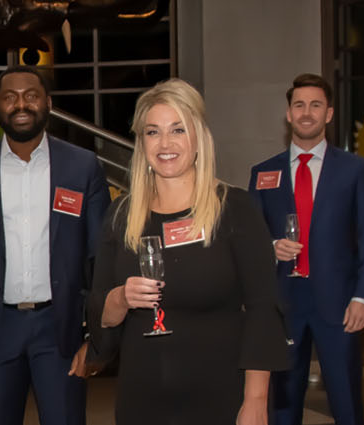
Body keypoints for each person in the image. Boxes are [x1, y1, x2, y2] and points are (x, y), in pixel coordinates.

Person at [87, 79, 286, 424]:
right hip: (142, 398)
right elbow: (100, 312)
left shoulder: (234, 209)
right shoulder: (122, 215)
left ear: (198, 138)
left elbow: (262, 309)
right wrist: (121, 297)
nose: (165, 143)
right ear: (142, 142)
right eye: (153, 132)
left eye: (177, 129)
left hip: (220, 395)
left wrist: (255, 400)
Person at [0, 66, 109, 425]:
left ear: (47, 102)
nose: (20, 104)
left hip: (61, 330)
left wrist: (97, 336)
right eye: (10, 97)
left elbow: (101, 256)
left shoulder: (82, 166)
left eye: (30, 95)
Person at [245, 74, 364, 425]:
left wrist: (363, 297)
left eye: (315, 105)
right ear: (288, 114)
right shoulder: (263, 173)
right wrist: (272, 247)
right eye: (299, 105)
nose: (307, 113)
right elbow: (249, 239)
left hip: (340, 305)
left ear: (329, 113)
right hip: (283, 305)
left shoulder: (354, 170)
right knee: (283, 405)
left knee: (347, 401)